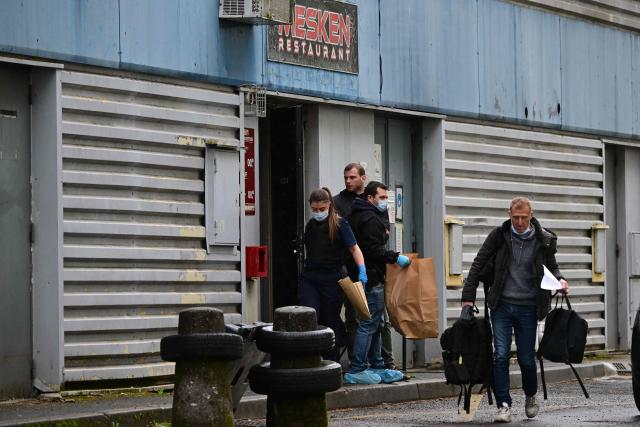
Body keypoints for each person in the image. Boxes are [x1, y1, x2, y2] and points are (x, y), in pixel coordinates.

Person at [461, 196, 569, 423]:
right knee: (500, 355)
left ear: (531, 216)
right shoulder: (499, 236)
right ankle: (504, 405)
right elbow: (478, 265)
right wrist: (467, 301)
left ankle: (530, 395)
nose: (519, 222)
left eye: (524, 217)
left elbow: (553, 266)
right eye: (515, 217)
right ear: (509, 214)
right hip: (501, 305)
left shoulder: (544, 239)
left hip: (529, 306)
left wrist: (560, 281)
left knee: (526, 358)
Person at [344, 181, 411, 384]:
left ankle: (377, 364)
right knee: (369, 323)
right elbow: (373, 250)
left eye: (385, 198)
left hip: (362, 276)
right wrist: (394, 257)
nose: (384, 202)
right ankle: (358, 367)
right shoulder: (369, 219)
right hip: (371, 278)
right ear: (370, 198)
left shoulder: (355, 214)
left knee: (376, 322)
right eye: (381, 198)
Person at [334, 163, 396, 369]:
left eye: (352, 177)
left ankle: (384, 362)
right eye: (346, 178)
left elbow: (384, 233)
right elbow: (365, 243)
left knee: (378, 321)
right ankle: (358, 364)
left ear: (363, 178)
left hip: (373, 270)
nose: (348, 181)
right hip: (357, 270)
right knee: (360, 320)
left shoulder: (373, 204)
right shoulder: (340, 202)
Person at [300, 187, 368, 362]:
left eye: (322, 209)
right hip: (312, 277)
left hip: (333, 278)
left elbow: (354, 248)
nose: (318, 213)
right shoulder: (310, 225)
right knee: (310, 314)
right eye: (314, 210)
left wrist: (362, 269)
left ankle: (332, 362)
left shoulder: (339, 224)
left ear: (329, 205)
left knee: (330, 319)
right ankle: (311, 358)